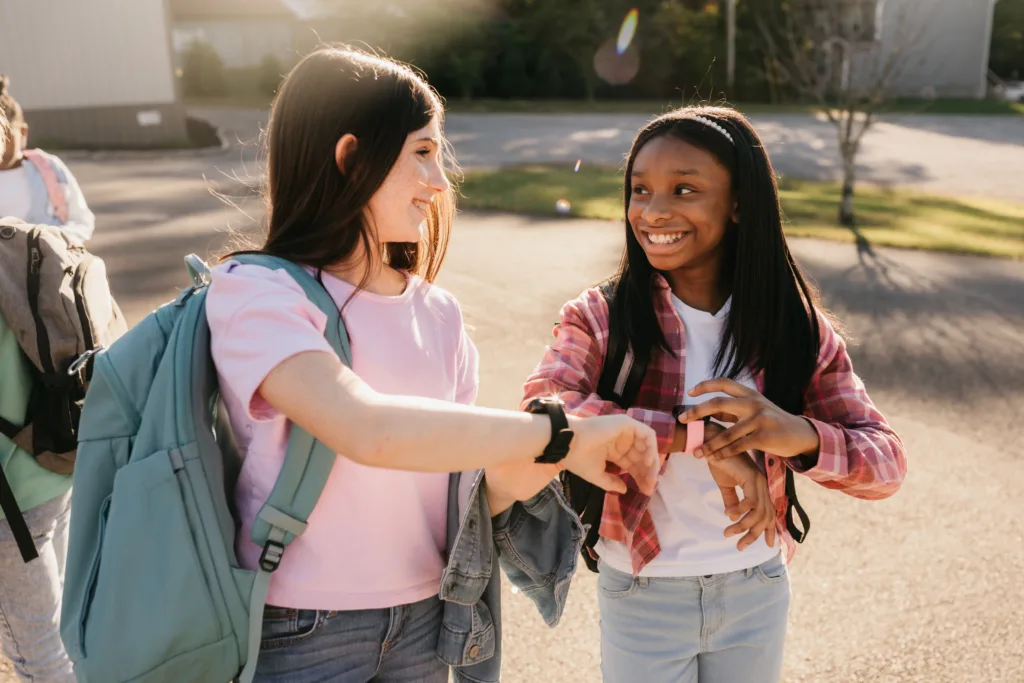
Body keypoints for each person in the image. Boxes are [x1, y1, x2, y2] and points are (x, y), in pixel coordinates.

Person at [205, 47, 659, 683]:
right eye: (422, 151)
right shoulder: (257, 292)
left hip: (427, 619)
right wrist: (558, 431)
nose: (441, 180)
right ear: (350, 158)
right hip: (300, 626)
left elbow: (465, 490)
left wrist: (560, 456)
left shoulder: (438, 313)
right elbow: (367, 428)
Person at [521, 106, 907, 683]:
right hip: (642, 589)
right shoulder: (600, 317)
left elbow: (886, 464)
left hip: (756, 584)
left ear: (737, 204)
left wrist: (791, 432)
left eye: (684, 190)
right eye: (640, 190)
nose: (653, 212)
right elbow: (543, 415)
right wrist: (704, 436)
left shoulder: (791, 327)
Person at [0, 110, 76, 683]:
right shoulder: (16, 243)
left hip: (10, 501)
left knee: (39, 655)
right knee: (64, 634)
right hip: (53, 464)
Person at [0, 74, 94, 244]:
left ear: (22, 133)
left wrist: (50, 242)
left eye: (4, 137)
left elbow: (81, 220)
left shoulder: (47, 168)